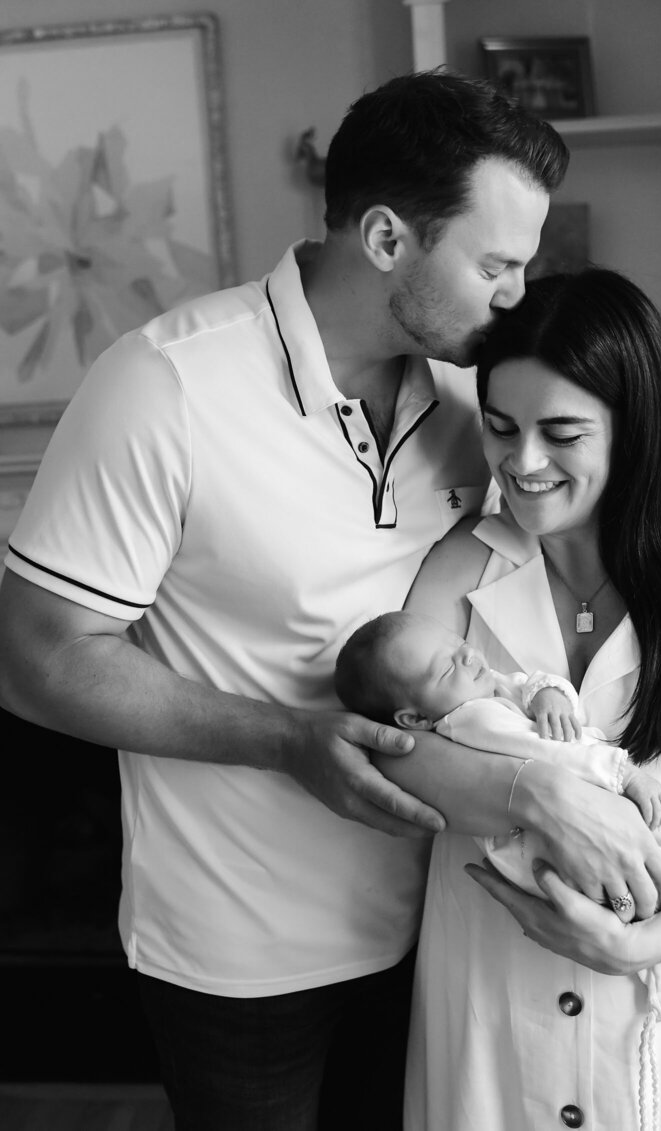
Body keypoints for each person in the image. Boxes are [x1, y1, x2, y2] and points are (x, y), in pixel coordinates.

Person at [0, 70, 573, 1131]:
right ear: (389, 240)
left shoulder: (471, 404)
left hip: (450, 915)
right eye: (496, 264)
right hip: (242, 953)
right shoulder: (163, 388)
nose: (514, 296)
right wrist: (284, 740)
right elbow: (35, 658)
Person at [369, 268, 661, 1129]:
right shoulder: (457, 568)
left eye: (562, 432)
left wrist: (641, 943)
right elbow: (393, 757)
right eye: (500, 428)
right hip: (490, 1032)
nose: (521, 464)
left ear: (634, 428)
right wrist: (542, 796)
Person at [336, 608, 661, 1020]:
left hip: (558, 829)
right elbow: (548, 752)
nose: (471, 656)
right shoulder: (472, 719)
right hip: (543, 841)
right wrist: (624, 775)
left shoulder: (479, 690)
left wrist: (548, 694)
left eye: (460, 644)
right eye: (448, 665)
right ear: (413, 719)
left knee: (645, 891)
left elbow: (527, 684)